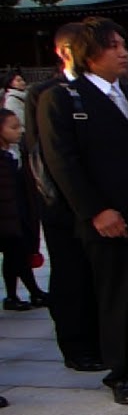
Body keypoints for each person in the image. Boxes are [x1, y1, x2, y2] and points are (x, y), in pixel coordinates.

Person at [36, 17, 128, 405]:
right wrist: (96, 210)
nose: (122, 52)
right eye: (111, 46)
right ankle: (121, 372)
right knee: (117, 295)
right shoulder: (64, 99)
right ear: (87, 53)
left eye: (123, 44)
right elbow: (63, 163)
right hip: (106, 217)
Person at [26, 24, 101, 371]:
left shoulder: (104, 90)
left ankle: (103, 339)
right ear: (64, 51)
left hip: (103, 197)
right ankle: (76, 345)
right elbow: (42, 152)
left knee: (101, 274)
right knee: (71, 275)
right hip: (62, 203)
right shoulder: (45, 91)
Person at [0, 108, 46, 311]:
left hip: (19, 212)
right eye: (13, 127)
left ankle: (26, 293)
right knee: (15, 255)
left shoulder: (18, 151)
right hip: (6, 217)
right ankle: (20, 294)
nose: (19, 130)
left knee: (18, 255)